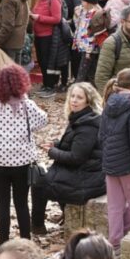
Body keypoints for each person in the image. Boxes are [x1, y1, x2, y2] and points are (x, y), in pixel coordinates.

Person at [0, 65, 47, 247]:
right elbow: (43, 120)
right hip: (22, 163)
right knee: (21, 203)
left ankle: (4, 241)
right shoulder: (27, 106)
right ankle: (25, 242)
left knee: (2, 204)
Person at [30, 82, 106, 234]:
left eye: (79, 98)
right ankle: (64, 215)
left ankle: (37, 226)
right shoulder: (81, 117)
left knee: (39, 183)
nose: (74, 100)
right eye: (72, 96)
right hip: (84, 171)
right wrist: (57, 144)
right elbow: (76, 145)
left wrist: (52, 152)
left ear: (88, 101)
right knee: (49, 177)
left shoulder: (88, 125)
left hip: (88, 177)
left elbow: (76, 157)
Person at [100, 68, 130, 251]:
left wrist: (106, 158)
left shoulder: (109, 102)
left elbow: (101, 135)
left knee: (115, 204)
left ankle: (114, 241)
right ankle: (122, 236)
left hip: (110, 162)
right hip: (127, 163)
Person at [29, 0, 64, 98]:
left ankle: (51, 86)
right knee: (42, 61)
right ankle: (46, 84)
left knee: (48, 62)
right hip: (39, 35)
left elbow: (56, 19)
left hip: (48, 36)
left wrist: (38, 17)